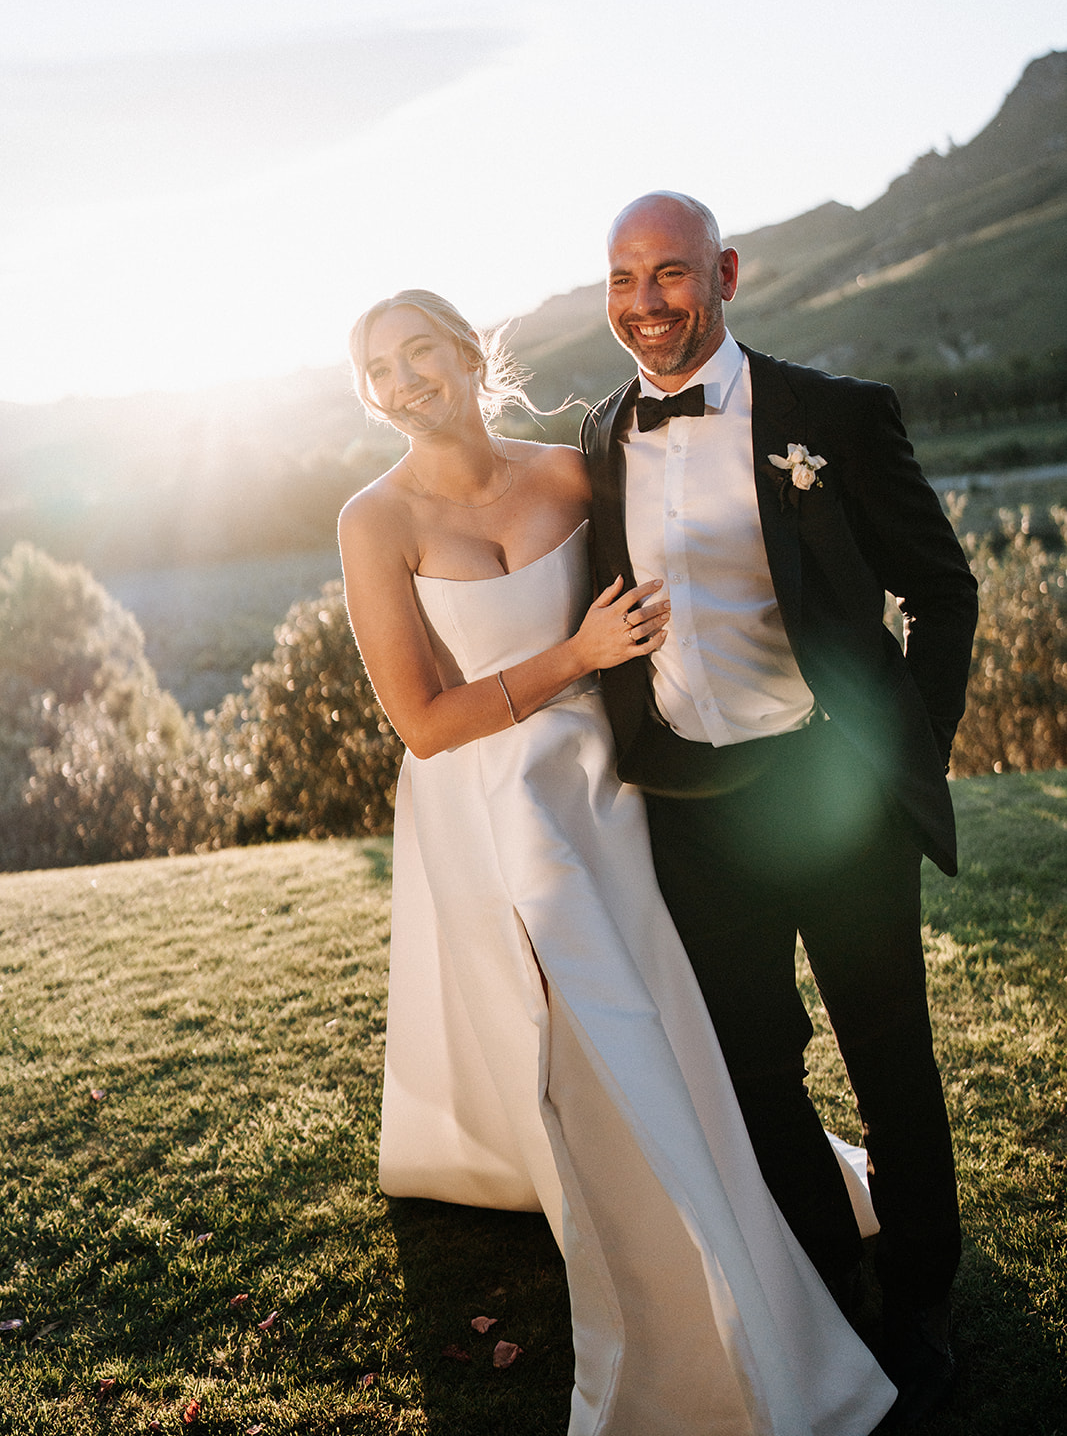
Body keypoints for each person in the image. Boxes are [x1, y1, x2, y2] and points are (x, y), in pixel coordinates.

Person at [339, 288, 896, 1435]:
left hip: (621, 772)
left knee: (682, 996)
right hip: (498, 794)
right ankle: (675, 1259)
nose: (400, 384)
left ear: (465, 352)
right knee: (596, 1005)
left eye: (416, 355)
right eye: (375, 372)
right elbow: (424, 722)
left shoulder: (569, 468)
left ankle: (749, 1191)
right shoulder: (373, 521)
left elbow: (683, 573)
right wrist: (576, 652)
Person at [580, 192, 979, 1429]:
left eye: (672, 275)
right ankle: (824, 1277)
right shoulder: (597, 437)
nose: (646, 305)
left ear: (727, 273)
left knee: (885, 1047)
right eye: (622, 279)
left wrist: (901, 748)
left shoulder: (834, 418)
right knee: (754, 1064)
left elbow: (942, 590)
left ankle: (916, 1287)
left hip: (831, 788)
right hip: (693, 810)